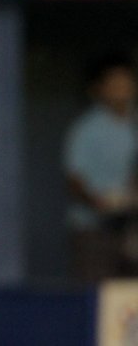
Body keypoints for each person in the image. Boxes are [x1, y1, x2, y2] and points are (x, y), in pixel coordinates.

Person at [64, 54, 138, 283]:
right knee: (97, 294)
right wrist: (99, 203)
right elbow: (74, 179)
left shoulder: (134, 122)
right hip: (94, 230)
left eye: (125, 81)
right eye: (114, 83)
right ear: (98, 89)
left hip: (131, 227)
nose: (122, 89)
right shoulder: (86, 129)